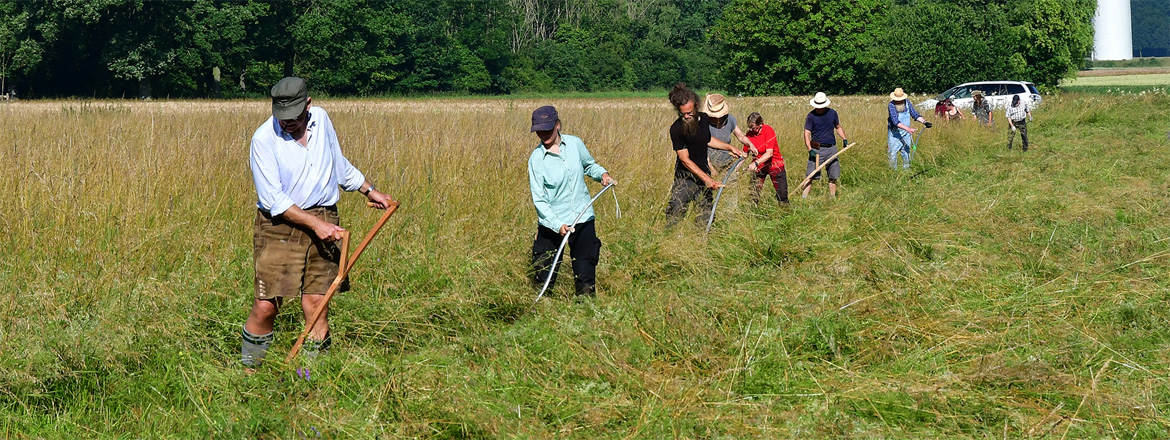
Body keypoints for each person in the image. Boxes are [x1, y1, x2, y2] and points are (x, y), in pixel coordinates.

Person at [242, 77, 394, 368]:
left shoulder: (322, 120)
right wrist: (315, 225)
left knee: (316, 305)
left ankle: (310, 378)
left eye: (294, 117)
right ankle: (249, 374)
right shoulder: (263, 139)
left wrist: (369, 189)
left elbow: (337, 163)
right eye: (281, 117)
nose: (287, 123)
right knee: (266, 306)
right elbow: (274, 199)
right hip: (279, 228)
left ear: (308, 105)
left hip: (325, 218)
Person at [527, 106, 616, 298]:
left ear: (557, 125)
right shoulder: (536, 159)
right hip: (553, 224)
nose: (543, 134)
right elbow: (539, 200)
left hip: (582, 218)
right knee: (543, 274)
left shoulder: (575, 144)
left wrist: (602, 174)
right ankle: (542, 311)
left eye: (547, 129)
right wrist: (558, 225)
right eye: (539, 131)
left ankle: (586, 312)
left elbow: (589, 165)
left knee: (585, 274)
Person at [665, 82, 726, 227]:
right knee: (675, 213)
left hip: (703, 174)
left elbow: (708, 139)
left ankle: (702, 241)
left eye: (689, 113)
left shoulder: (704, 119)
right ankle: (669, 242)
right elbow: (684, 160)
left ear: (697, 106)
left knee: (705, 214)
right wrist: (707, 179)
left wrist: (729, 148)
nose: (686, 116)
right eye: (682, 114)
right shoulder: (676, 129)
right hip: (685, 178)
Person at [802, 92, 848, 198]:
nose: (819, 108)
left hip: (831, 149)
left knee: (833, 175)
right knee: (810, 175)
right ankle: (803, 199)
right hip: (817, 149)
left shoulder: (832, 113)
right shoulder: (811, 116)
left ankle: (832, 198)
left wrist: (844, 139)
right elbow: (806, 133)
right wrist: (810, 149)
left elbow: (838, 127)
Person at [702, 93, 753, 177]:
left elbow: (740, 135)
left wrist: (750, 144)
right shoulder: (703, 123)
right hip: (709, 165)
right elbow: (702, 148)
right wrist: (711, 168)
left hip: (728, 164)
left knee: (731, 185)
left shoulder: (729, 119)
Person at [743, 112, 787, 205]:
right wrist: (737, 167)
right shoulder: (749, 134)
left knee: (782, 193)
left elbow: (769, 153)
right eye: (749, 127)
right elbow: (745, 153)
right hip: (759, 165)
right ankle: (753, 212)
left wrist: (755, 163)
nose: (751, 130)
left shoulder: (768, 130)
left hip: (774, 163)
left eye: (753, 128)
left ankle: (785, 210)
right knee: (753, 194)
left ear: (760, 124)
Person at [887, 87, 931, 170]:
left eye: (900, 99)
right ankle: (893, 174)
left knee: (906, 153)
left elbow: (914, 114)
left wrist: (924, 122)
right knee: (892, 154)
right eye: (897, 100)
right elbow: (895, 121)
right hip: (894, 135)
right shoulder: (891, 105)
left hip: (906, 134)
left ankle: (906, 172)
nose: (899, 101)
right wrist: (907, 128)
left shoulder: (907, 103)